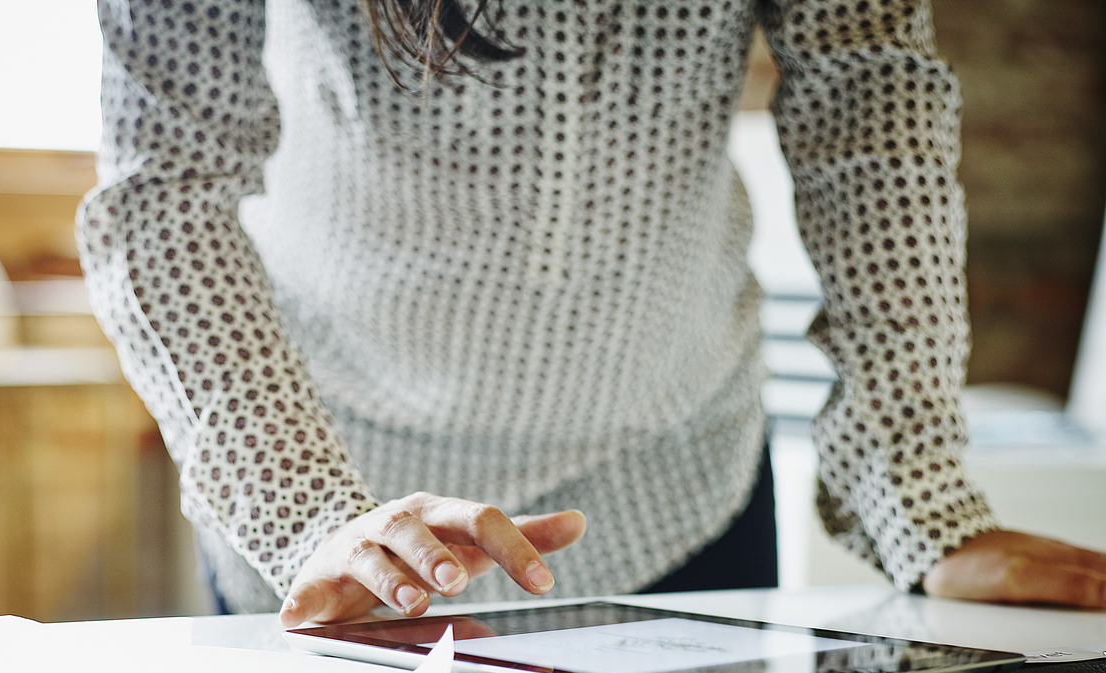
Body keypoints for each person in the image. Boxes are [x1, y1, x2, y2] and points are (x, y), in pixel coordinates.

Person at [78, 0, 1106, 626]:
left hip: (676, 482)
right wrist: (304, 512)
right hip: (341, 500)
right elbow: (162, 184)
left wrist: (918, 497)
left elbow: (868, 105)